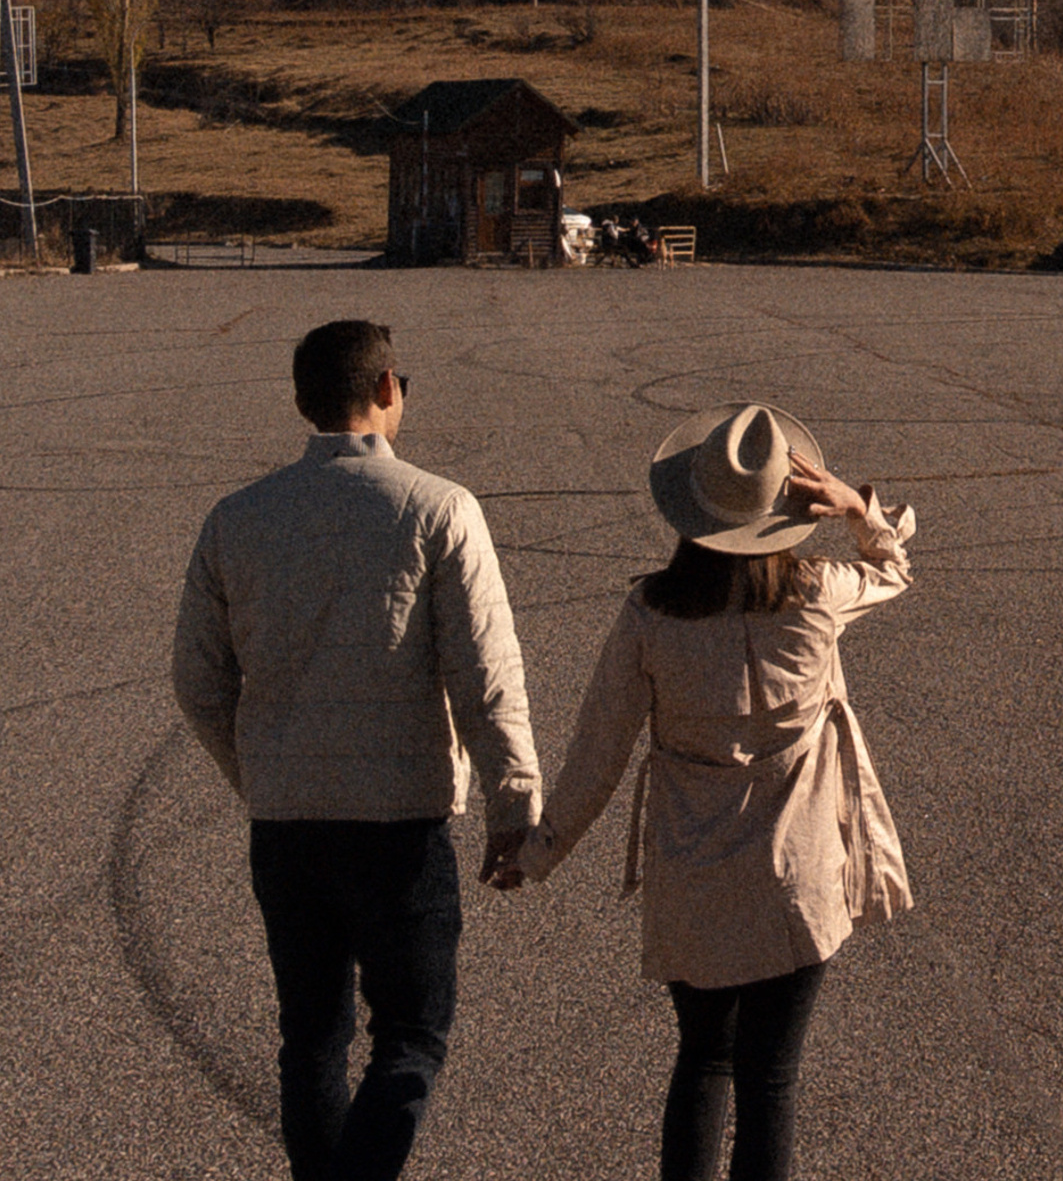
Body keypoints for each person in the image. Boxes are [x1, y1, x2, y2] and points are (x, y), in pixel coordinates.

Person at [172, 317, 542, 1181]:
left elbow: (197, 682)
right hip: (400, 823)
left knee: (310, 1035)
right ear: (386, 390)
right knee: (410, 1037)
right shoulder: (438, 508)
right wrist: (513, 805)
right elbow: (485, 675)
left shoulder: (236, 520)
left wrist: (258, 774)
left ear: (304, 402)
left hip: (287, 824)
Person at [510, 402, 915, 1181]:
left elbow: (598, 750)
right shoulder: (820, 595)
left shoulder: (652, 615)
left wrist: (538, 851)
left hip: (694, 876)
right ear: (787, 511)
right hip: (799, 875)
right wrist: (861, 509)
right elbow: (894, 569)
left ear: (690, 511)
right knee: (771, 1079)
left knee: (703, 1063)